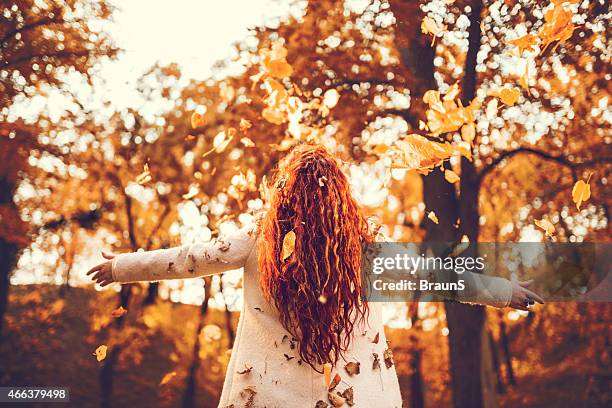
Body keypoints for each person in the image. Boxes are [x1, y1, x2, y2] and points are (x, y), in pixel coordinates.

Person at [87, 144, 543, 407]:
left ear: (284, 197)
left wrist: (119, 266)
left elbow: (187, 259)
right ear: (343, 199)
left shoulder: (254, 243)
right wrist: (504, 292)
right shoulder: (369, 252)